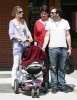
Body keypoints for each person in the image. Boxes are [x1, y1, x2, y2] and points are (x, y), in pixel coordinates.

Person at [42, 6, 73, 93]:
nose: (50, 14)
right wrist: (44, 47)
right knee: (53, 68)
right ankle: (54, 86)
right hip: (52, 48)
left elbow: (68, 35)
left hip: (63, 48)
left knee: (62, 68)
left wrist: (69, 48)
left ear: (58, 13)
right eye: (50, 13)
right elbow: (47, 36)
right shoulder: (49, 23)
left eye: (52, 13)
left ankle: (62, 85)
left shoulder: (65, 22)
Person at [9, 6, 33, 88]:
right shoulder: (12, 22)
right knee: (16, 65)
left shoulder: (23, 21)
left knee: (23, 65)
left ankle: (21, 81)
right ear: (15, 13)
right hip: (17, 46)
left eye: (22, 11)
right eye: (20, 12)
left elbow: (27, 31)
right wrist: (20, 38)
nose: (22, 13)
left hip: (25, 46)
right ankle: (13, 82)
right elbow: (11, 35)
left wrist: (30, 37)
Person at [34, 5, 50, 87]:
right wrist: (36, 47)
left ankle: (54, 82)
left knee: (53, 65)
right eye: (42, 13)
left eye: (45, 13)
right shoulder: (37, 22)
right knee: (44, 65)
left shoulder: (51, 21)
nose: (43, 15)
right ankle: (45, 81)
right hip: (41, 47)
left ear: (48, 14)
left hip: (51, 46)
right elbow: (35, 35)